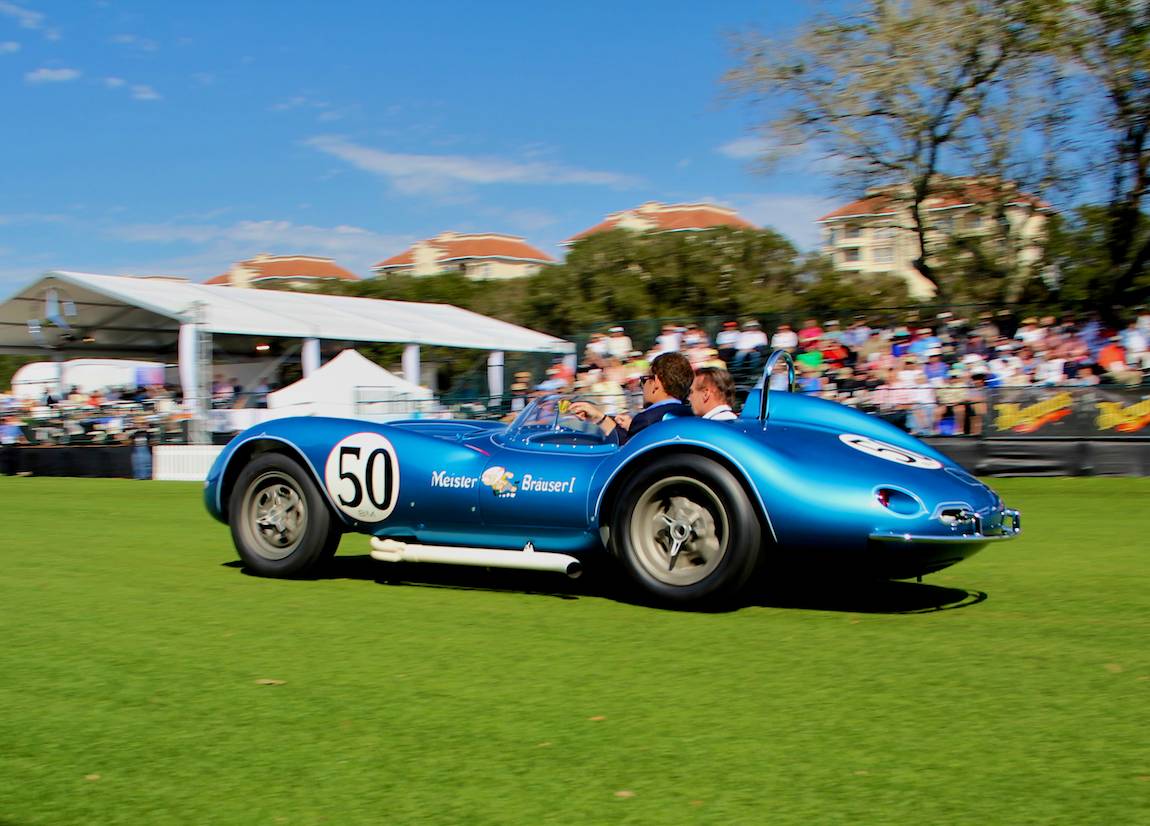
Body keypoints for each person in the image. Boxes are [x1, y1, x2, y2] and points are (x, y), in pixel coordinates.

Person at [570, 352, 694, 444]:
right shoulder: (689, 414)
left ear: (656, 382)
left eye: (643, 380)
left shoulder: (647, 420)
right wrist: (601, 418)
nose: (642, 387)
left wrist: (599, 418)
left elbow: (623, 451)